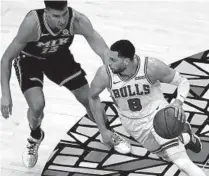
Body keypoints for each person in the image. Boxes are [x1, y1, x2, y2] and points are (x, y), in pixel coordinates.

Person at [1, 0, 131, 168]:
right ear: (46, 12)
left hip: (59, 58)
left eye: (64, 14)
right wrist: (5, 94)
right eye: (56, 16)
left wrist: (115, 72)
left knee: (89, 97)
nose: (61, 21)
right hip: (30, 61)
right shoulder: (32, 23)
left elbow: (103, 50)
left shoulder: (77, 20)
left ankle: (107, 132)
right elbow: (6, 58)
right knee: (37, 106)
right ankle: (35, 136)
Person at [88, 39, 206, 176]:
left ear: (126, 61)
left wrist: (178, 101)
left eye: (113, 60)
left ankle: (182, 136)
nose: (109, 63)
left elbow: (183, 82)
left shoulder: (151, 67)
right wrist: (103, 130)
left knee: (181, 162)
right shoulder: (104, 74)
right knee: (165, 156)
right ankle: (186, 136)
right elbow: (92, 97)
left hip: (159, 115)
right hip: (132, 122)